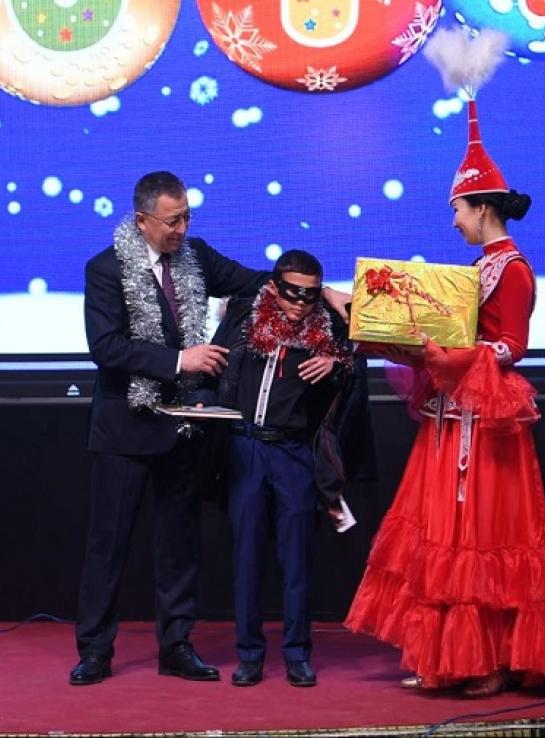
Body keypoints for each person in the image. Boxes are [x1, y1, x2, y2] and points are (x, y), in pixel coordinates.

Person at [344, 97, 545, 697]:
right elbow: (453, 340)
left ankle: (490, 659)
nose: (453, 221)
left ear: (481, 208)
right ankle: (455, 656)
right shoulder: (476, 270)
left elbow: (512, 346)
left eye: (457, 209)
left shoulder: (513, 269)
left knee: (481, 534)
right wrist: (397, 336)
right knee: (448, 533)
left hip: (486, 420)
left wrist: (450, 356)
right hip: (455, 416)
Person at [71, 171, 349, 686]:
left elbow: (255, 281)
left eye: (186, 217)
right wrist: (182, 360)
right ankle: (94, 650)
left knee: (179, 544)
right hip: (124, 429)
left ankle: (176, 646)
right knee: (109, 545)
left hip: (183, 427)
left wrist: (324, 292)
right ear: (142, 221)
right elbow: (105, 347)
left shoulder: (195, 256)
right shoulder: (105, 269)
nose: (182, 229)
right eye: (172, 221)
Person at [208, 249, 353, 688]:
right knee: (247, 557)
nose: (301, 303)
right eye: (292, 293)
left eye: (311, 295)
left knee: (296, 559)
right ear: (273, 288)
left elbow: (359, 366)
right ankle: (249, 655)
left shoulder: (328, 330)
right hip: (246, 447)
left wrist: (337, 363)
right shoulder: (245, 316)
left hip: (292, 453)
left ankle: (297, 654)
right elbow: (213, 366)